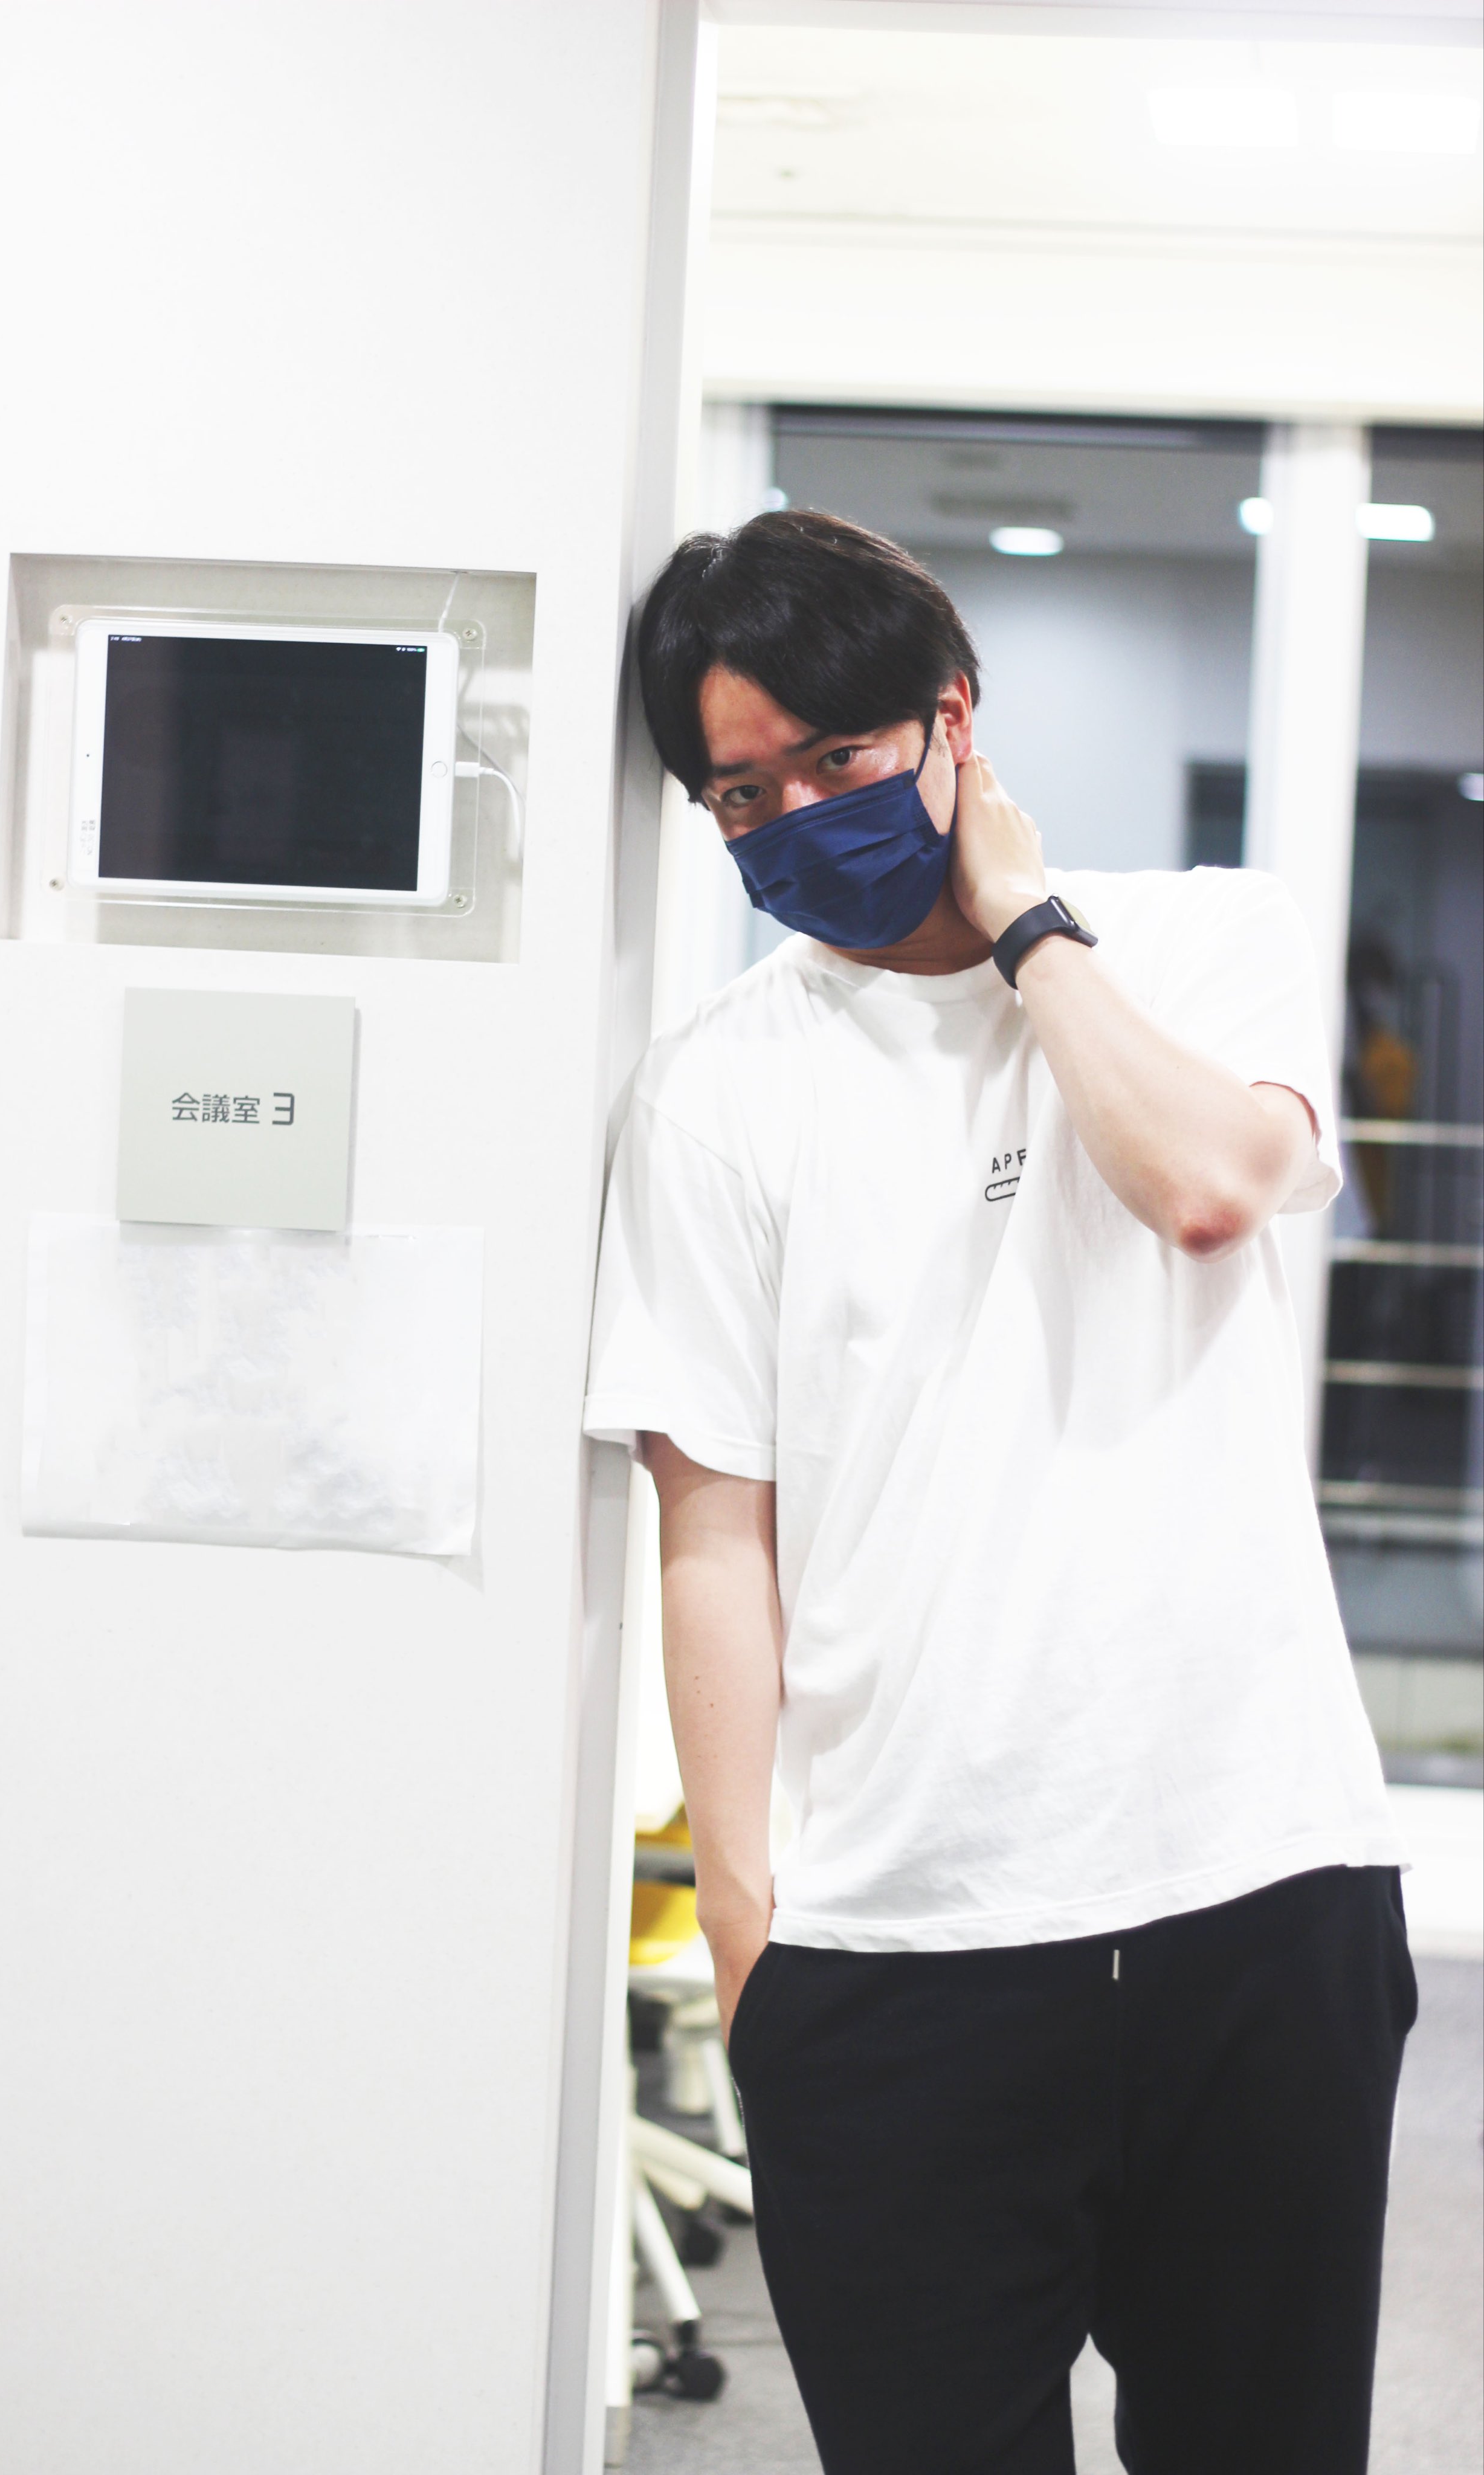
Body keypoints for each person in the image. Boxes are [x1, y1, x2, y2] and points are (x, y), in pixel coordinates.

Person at [584, 510, 1412, 2475]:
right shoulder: (715, 1089)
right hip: (896, 1950)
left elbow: (1203, 1187)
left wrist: (1028, 927)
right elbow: (715, 1532)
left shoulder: (1200, 941)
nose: (794, 821)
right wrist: (750, 1936)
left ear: (954, 720)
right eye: (740, 795)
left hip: (1255, 1902)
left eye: (838, 760)